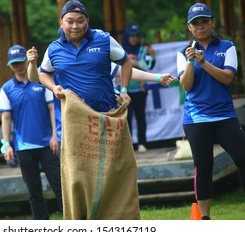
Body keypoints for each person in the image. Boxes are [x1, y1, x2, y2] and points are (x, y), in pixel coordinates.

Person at [177, 2, 245, 220]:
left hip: (225, 117)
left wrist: (204, 62)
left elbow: (227, 77)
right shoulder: (183, 53)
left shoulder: (226, 46)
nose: (200, 26)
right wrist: (191, 62)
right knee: (203, 166)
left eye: (204, 21)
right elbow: (187, 85)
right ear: (189, 27)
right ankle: (205, 218)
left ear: (212, 23)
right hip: (196, 119)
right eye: (195, 23)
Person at [27, 46, 176, 145]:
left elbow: (124, 69)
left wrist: (157, 77)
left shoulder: (95, 60)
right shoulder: (58, 63)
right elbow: (35, 78)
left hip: (100, 127)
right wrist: (32, 64)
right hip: (70, 131)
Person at [0, 45, 62, 220]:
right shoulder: (6, 89)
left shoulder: (41, 83)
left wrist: (55, 136)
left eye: (20, 62)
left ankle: (72, 222)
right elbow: (6, 118)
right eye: (14, 64)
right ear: (9, 65)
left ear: (26, 61)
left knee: (59, 185)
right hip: (23, 146)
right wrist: (6, 144)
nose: (18, 66)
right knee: (34, 191)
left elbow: (52, 110)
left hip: (48, 144)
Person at [121, 24, 156, 152]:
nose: (134, 38)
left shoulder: (142, 49)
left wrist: (152, 55)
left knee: (141, 117)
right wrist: (133, 63)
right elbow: (115, 66)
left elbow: (148, 66)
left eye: (136, 36)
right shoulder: (120, 49)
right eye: (131, 36)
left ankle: (142, 143)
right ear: (127, 36)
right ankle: (129, 146)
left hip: (140, 90)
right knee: (126, 119)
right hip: (124, 91)